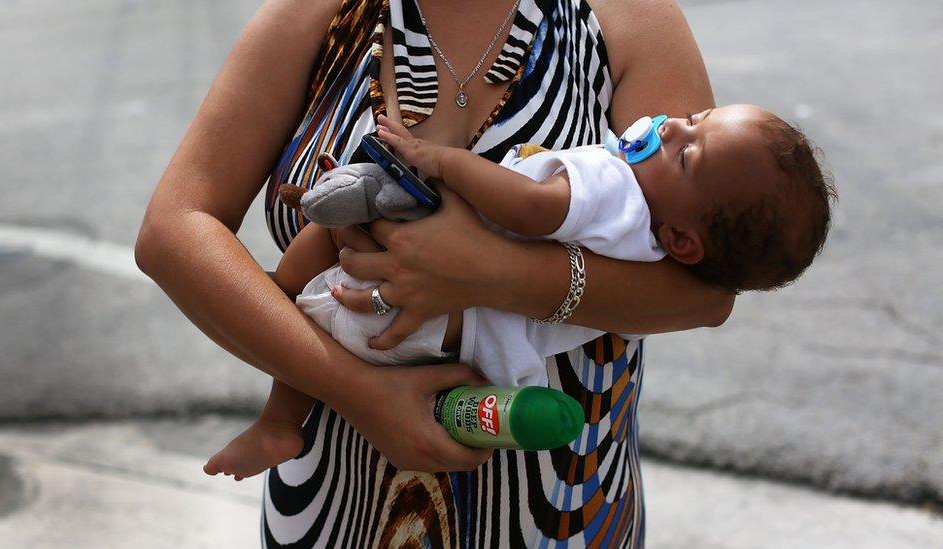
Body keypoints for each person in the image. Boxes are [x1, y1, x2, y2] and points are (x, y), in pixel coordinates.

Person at [136, 0, 737, 545]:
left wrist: (495, 272)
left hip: (558, 510)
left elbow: (704, 292)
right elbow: (173, 229)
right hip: (333, 510)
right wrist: (361, 394)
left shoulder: (629, 19)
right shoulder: (315, 13)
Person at [202, 106, 833, 480]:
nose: (671, 126)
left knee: (321, 255)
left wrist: (442, 161)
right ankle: (282, 416)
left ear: (686, 239)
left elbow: (533, 208)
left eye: (688, 152)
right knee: (328, 295)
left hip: (424, 306)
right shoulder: (657, 244)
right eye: (694, 120)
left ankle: (279, 387)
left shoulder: (616, 189)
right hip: (460, 346)